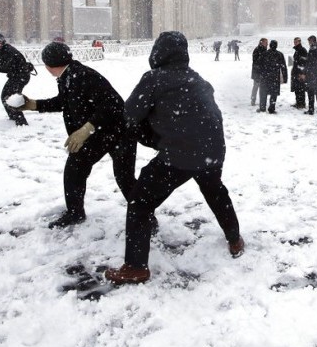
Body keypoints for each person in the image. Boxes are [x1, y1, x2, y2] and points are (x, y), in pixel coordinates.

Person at [105, 31, 244, 285]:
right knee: (214, 191)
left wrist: (143, 134)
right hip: (212, 150)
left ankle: (135, 266)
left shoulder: (154, 79)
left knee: (140, 201)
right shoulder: (198, 79)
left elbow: (129, 115)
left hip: (181, 153)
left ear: (157, 53)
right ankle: (234, 239)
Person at [16, 41, 137, 229]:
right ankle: (76, 212)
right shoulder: (69, 75)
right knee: (78, 170)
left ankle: (143, 216)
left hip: (116, 131)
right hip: (105, 132)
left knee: (121, 176)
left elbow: (114, 104)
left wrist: (86, 129)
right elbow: (65, 102)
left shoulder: (82, 76)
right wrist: (35, 105)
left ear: (48, 66)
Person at [0, 33, 33, 126]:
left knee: (10, 97)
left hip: (20, 76)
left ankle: (21, 122)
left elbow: (7, 67)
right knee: (6, 96)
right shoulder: (4, 50)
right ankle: (14, 116)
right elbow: (7, 66)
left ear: (3, 41)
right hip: (18, 76)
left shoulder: (7, 50)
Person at [258, 40, 287, 114]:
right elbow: (283, 67)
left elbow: (260, 66)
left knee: (263, 93)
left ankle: (262, 107)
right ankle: (271, 108)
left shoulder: (264, 54)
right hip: (275, 77)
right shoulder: (279, 54)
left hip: (265, 77)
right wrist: (285, 77)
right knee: (274, 94)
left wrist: (260, 75)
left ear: (270, 45)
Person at [290, 37, 308, 109]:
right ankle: (298, 102)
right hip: (296, 72)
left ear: (299, 42)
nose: (295, 43)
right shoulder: (297, 50)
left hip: (300, 72)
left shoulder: (302, 50)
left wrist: (302, 73)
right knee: (297, 88)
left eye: (296, 42)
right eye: (294, 42)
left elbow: (304, 62)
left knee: (301, 89)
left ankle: (302, 104)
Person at [250, 38, 267, 106]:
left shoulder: (264, 50)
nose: (267, 44)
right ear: (261, 42)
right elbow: (255, 62)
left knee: (261, 87)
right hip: (257, 72)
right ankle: (253, 100)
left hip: (262, 72)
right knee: (256, 86)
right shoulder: (257, 50)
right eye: (266, 42)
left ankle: (261, 100)